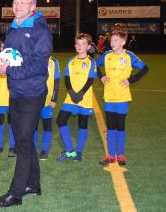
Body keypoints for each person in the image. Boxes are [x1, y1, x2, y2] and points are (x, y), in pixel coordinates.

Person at [0, 0, 52, 207]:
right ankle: (33, 184)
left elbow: (38, 66)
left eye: (23, 3)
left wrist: (10, 72)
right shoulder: (13, 29)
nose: (17, 6)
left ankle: (15, 194)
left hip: (33, 93)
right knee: (23, 139)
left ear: (33, 6)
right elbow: (7, 57)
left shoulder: (40, 32)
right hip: (15, 91)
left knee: (23, 141)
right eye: (15, 2)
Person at [97, 28, 148, 165]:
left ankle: (120, 155)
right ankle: (110, 155)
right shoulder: (107, 55)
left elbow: (145, 68)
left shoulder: (129, 56)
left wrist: (130, 80)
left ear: (123, 42)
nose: (112, 43)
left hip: (122, 98)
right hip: (108, 97)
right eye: (111, 40)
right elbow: (94, 65)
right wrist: (101, 76)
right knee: (111, 127)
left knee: (120, 126)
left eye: (115, 40)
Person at [56, 33, 97, 162]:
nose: (80, 46)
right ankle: (70, 151)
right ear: (75, 45)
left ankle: (78, 152)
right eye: (77, 43)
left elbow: (90, 79)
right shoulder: (70, 61)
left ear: (88, 46)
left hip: (84, 98)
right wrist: (72, 92)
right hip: (70, 97)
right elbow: (67, 78)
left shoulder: (91, 61)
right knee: (60, 120)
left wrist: (80, 94)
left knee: (82, 124)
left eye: (83, 44)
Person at [34, 55, 61, 160]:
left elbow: (57, 81)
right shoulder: (33, 58)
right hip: (35, 101)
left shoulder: (54, 62)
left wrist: (54, 99)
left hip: (48, 101)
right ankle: (33, 148)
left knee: (47, 127)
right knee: (33, 126)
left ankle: (44, 150)